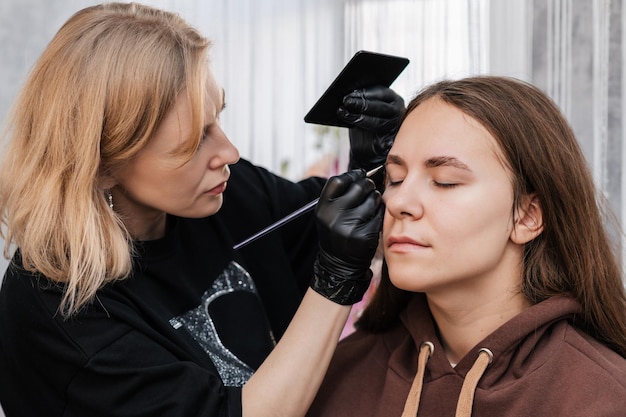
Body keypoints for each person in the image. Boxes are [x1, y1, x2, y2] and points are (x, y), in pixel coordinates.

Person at [0, 2, 402, 416]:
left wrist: (377, 171)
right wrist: (334, 283)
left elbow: (348, 229)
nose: (229, 151)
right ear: (102, 166)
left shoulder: (224, 193)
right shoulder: (57, 313)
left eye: (217, 118)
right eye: (193, 142)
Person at [307, 75, 626, 417]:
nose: (399, 201)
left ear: (528, 216)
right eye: (395, 178)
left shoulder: (602, 396)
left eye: (445, 182)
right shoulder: (342, 374)